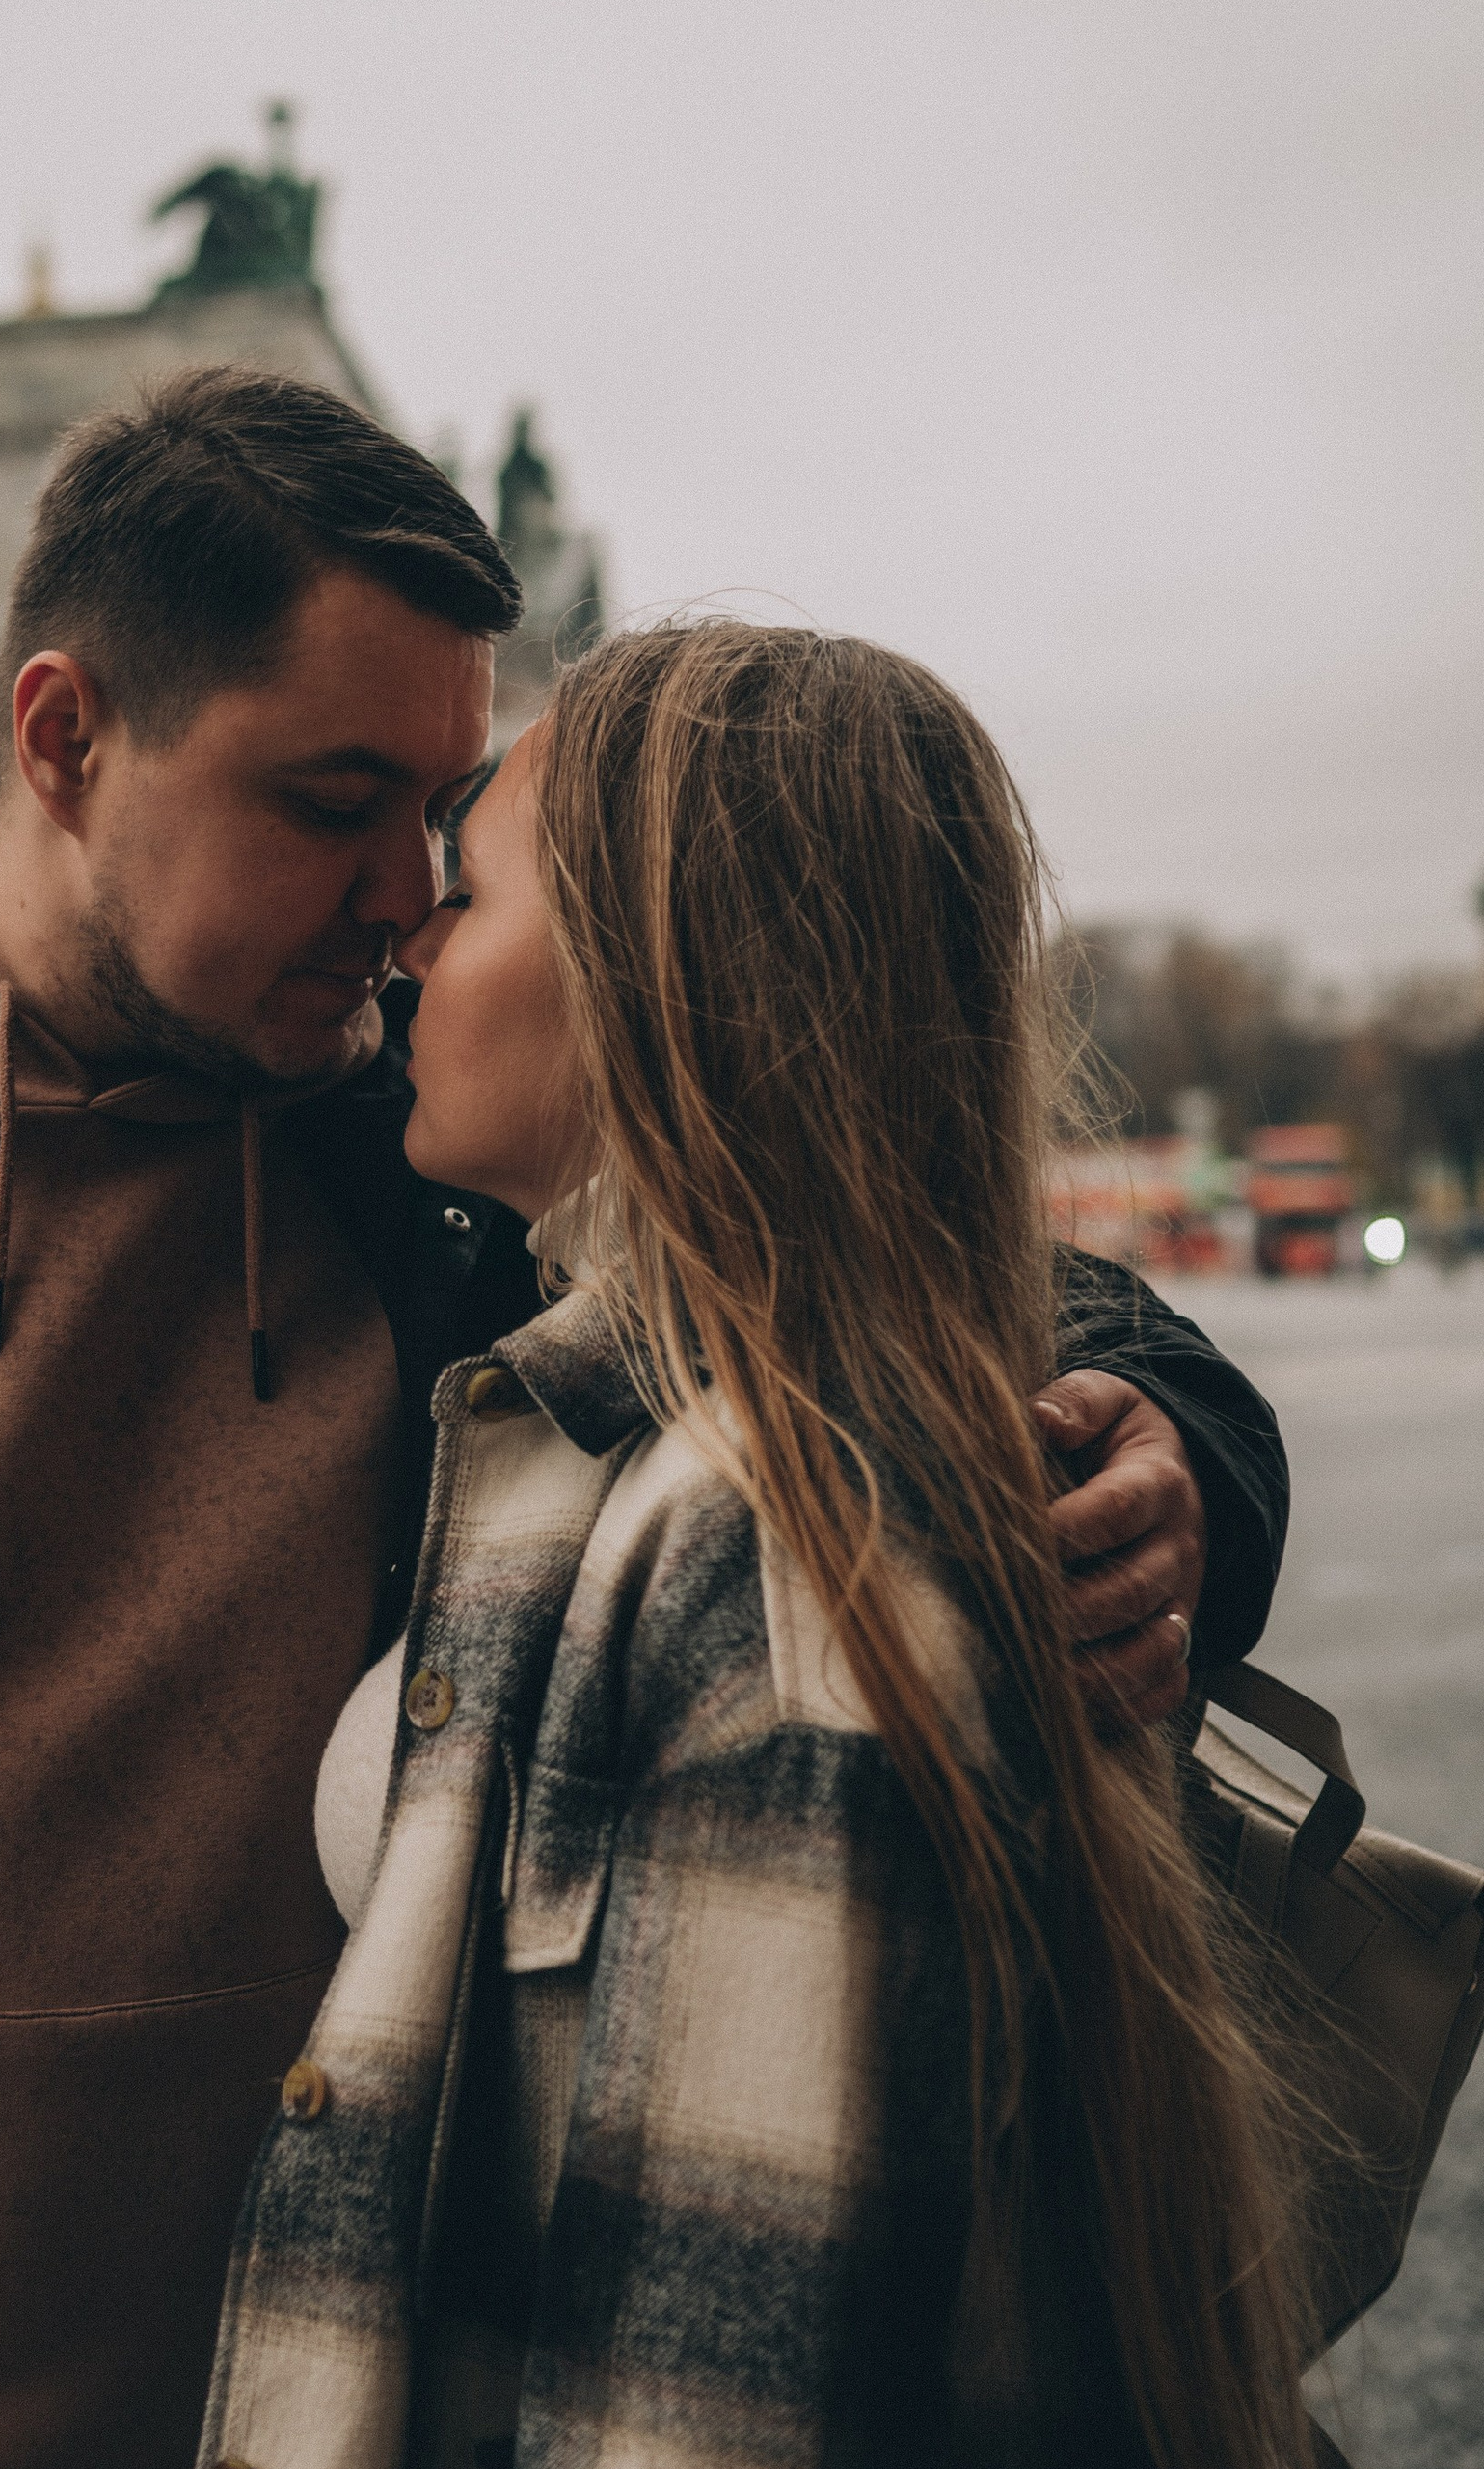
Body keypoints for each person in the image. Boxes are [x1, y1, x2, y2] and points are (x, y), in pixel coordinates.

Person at [0, 374, 1284, 2469]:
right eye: (329, 798)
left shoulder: (427, 1158)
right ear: (67, 735)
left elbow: (878, 1257)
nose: (403, 900)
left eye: (439, 820)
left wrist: (1173, 1449)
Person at [205, 620, 1312, 2469]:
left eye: (462, 891)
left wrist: (1190, 1444)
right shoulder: (661, 1424)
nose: (399, 931)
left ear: (655, 982)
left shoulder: (780, 1546)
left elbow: (716, 2399)